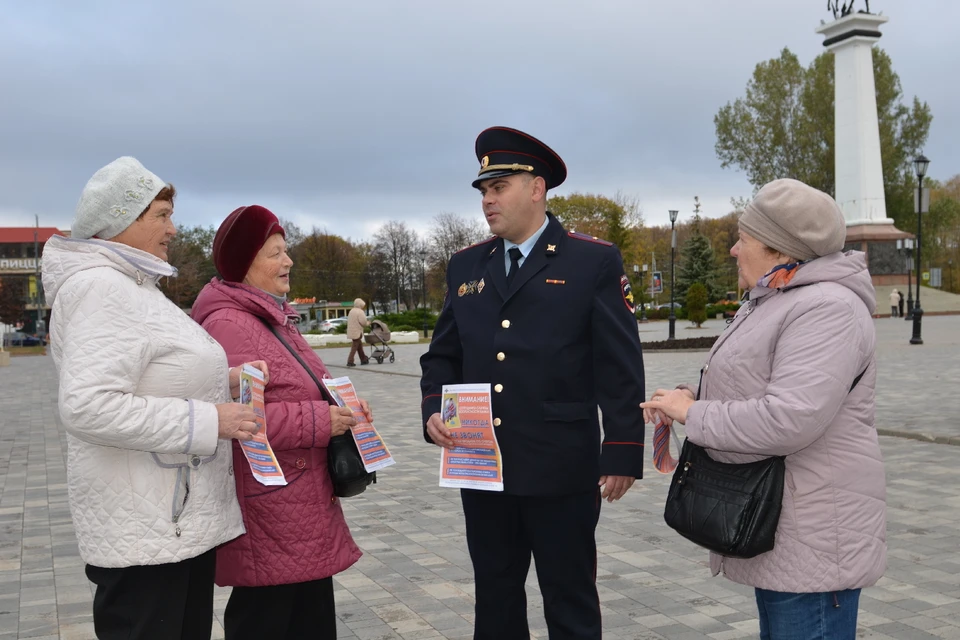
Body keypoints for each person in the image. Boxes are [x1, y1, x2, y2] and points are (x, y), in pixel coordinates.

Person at [419, 126, 646, 640]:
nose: (487, 200)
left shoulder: (591, 261)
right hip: (482, 466)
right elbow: (442, 356)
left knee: (569, 599)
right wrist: (433, 407)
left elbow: (619, 365)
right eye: (482, 190)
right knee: (495, 600)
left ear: (537, 188)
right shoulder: (465, 266)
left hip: (561, 466)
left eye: (498, 187)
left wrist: (623, 448)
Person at [642, 178, 886, 640]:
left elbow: (788, 418)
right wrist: (683, 402)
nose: (734, 250)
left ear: (780, 250)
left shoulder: (825, 308)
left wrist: (692, 415)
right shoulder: (779, 300)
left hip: (814, 540)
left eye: (744, 239)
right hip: (787, 528)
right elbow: (755, 388)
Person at [42, 157, 266, 640]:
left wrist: (225, 382)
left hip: (169, 523)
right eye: (161, 215)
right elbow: (87, 405)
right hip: (144, 530)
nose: (172, 227)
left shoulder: (134, 285)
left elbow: (156, 374)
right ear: (122, 221)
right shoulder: (101, 287)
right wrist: (211, 421)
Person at [191, 204, 365, 640]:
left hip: (298, 500)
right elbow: (241, 420)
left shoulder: (272, 318)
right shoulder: (230, 324)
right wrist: (321, 420)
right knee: (268, 618)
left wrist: (347, 409)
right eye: (275, 253)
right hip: (271, 507)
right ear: (244, 263)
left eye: (286, 251)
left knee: (309, 616)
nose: (288, 261)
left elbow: (306, 386)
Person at [346, 297, 370, 366]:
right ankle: (350, 361)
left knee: (359, 346)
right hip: (357, 332)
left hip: (352, 331)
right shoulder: (360, 311)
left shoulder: (351, 311)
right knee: (354, 347)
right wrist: (368, 323)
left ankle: (363, 359)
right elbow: (363, 322)